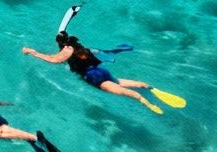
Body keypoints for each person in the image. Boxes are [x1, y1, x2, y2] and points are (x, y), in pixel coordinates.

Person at [22, 7, 164, 114]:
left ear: (62, 44)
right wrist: (119, 50)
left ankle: (148, 104)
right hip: (101, 72)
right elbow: (103, 52)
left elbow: (54, 59)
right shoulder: (83, 48)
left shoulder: (67, 50)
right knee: (137, 84)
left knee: (133, 95)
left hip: (95, 78)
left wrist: (33, 52)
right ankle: (151, 88)